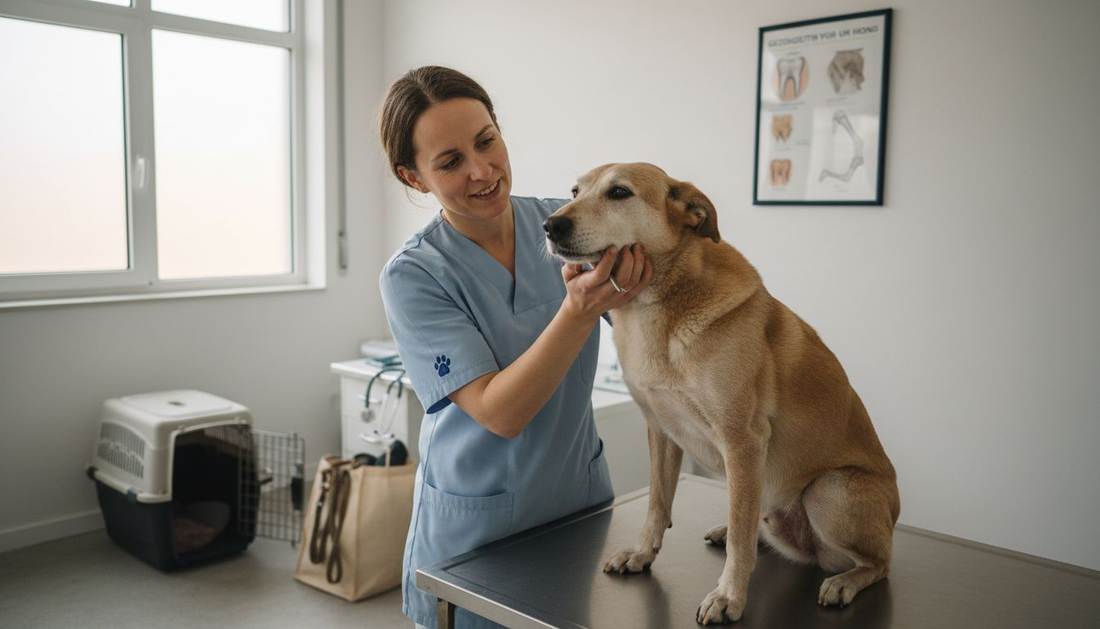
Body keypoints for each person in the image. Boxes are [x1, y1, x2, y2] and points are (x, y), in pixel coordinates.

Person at [377, 65, 652, 629]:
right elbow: (500, 412)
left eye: (486, 141)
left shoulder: (567, 225)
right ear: (414, 178)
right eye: (450, 162)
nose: (482, 171)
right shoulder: (415, 275)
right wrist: (579, 310)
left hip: (578, 510)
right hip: (475, 538)